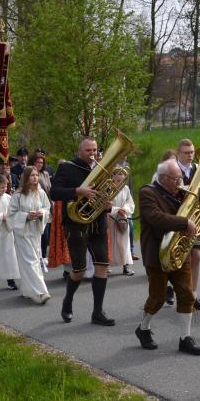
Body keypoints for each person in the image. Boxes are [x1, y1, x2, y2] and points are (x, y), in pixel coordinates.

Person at [134, 160, 200, 355]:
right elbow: (155, 217)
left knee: (187, 294)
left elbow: (196, 205)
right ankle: (143, 328)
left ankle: (185, 338)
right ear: (163, 178)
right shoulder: (147, 192)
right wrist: (185, 222)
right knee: (157, 298)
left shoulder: (182, 192)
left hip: (180, 253)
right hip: (157, 253)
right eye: (176, 179)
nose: (179, 182)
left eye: (180, 178)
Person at [50, 137, 116, 326]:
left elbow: (107, 193)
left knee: (102, 265)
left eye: (94, 150)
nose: (92, 153)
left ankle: (97, 312)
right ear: (80, 151)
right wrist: (78, 191)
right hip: (76, 224)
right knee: (79, 270)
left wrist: (108, 205)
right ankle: (68, 300)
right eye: (88, 150)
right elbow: (54, 192)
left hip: (98, 223)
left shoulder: (101, 169)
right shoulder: (67, 168)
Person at [8, 166, 52, 304]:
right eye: (32, 175)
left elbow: (47, 208)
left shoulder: (41, 193)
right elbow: (11, 215)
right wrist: (26, 216)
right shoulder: (18, 194)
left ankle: (27, 290)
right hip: (22, 231)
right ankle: (41, 291)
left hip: (35, 231)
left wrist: (42, 214)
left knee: (33, 260)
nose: (35, 178)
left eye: (37, 175)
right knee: (30, 260)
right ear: (26, 177)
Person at [177, 139, 200, 310]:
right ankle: (174, 287)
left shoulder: (197, 168)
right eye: (186, 152)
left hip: (195, 219)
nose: (190, 155)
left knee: (196, 256)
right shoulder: (172, 169)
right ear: (179, 153)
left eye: (191, 152)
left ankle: (193, 294)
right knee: (180, 257)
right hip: (177, 219)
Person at [108, 171, 135, 276]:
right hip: (109, 218)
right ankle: (107, 264)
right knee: (109, 242)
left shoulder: (126, 189)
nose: (120, 182)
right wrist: (115, 209)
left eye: (123, 180)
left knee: (124, 243)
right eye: (118, 180)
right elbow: (104, 204)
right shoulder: (108, 189)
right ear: (113, 178)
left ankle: (126, 265)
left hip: (122, 219)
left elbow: (130, 202)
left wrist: (124, 209)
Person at [31, 153, 53, 261]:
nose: (40, 164)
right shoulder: (29, 173)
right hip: (34, 206)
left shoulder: (45, 174)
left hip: (46, 205)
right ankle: (36, 256)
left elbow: (49, 189)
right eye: (37, 162)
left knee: (46, 234)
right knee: (37, 233)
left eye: (41, 162)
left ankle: (43, 256)